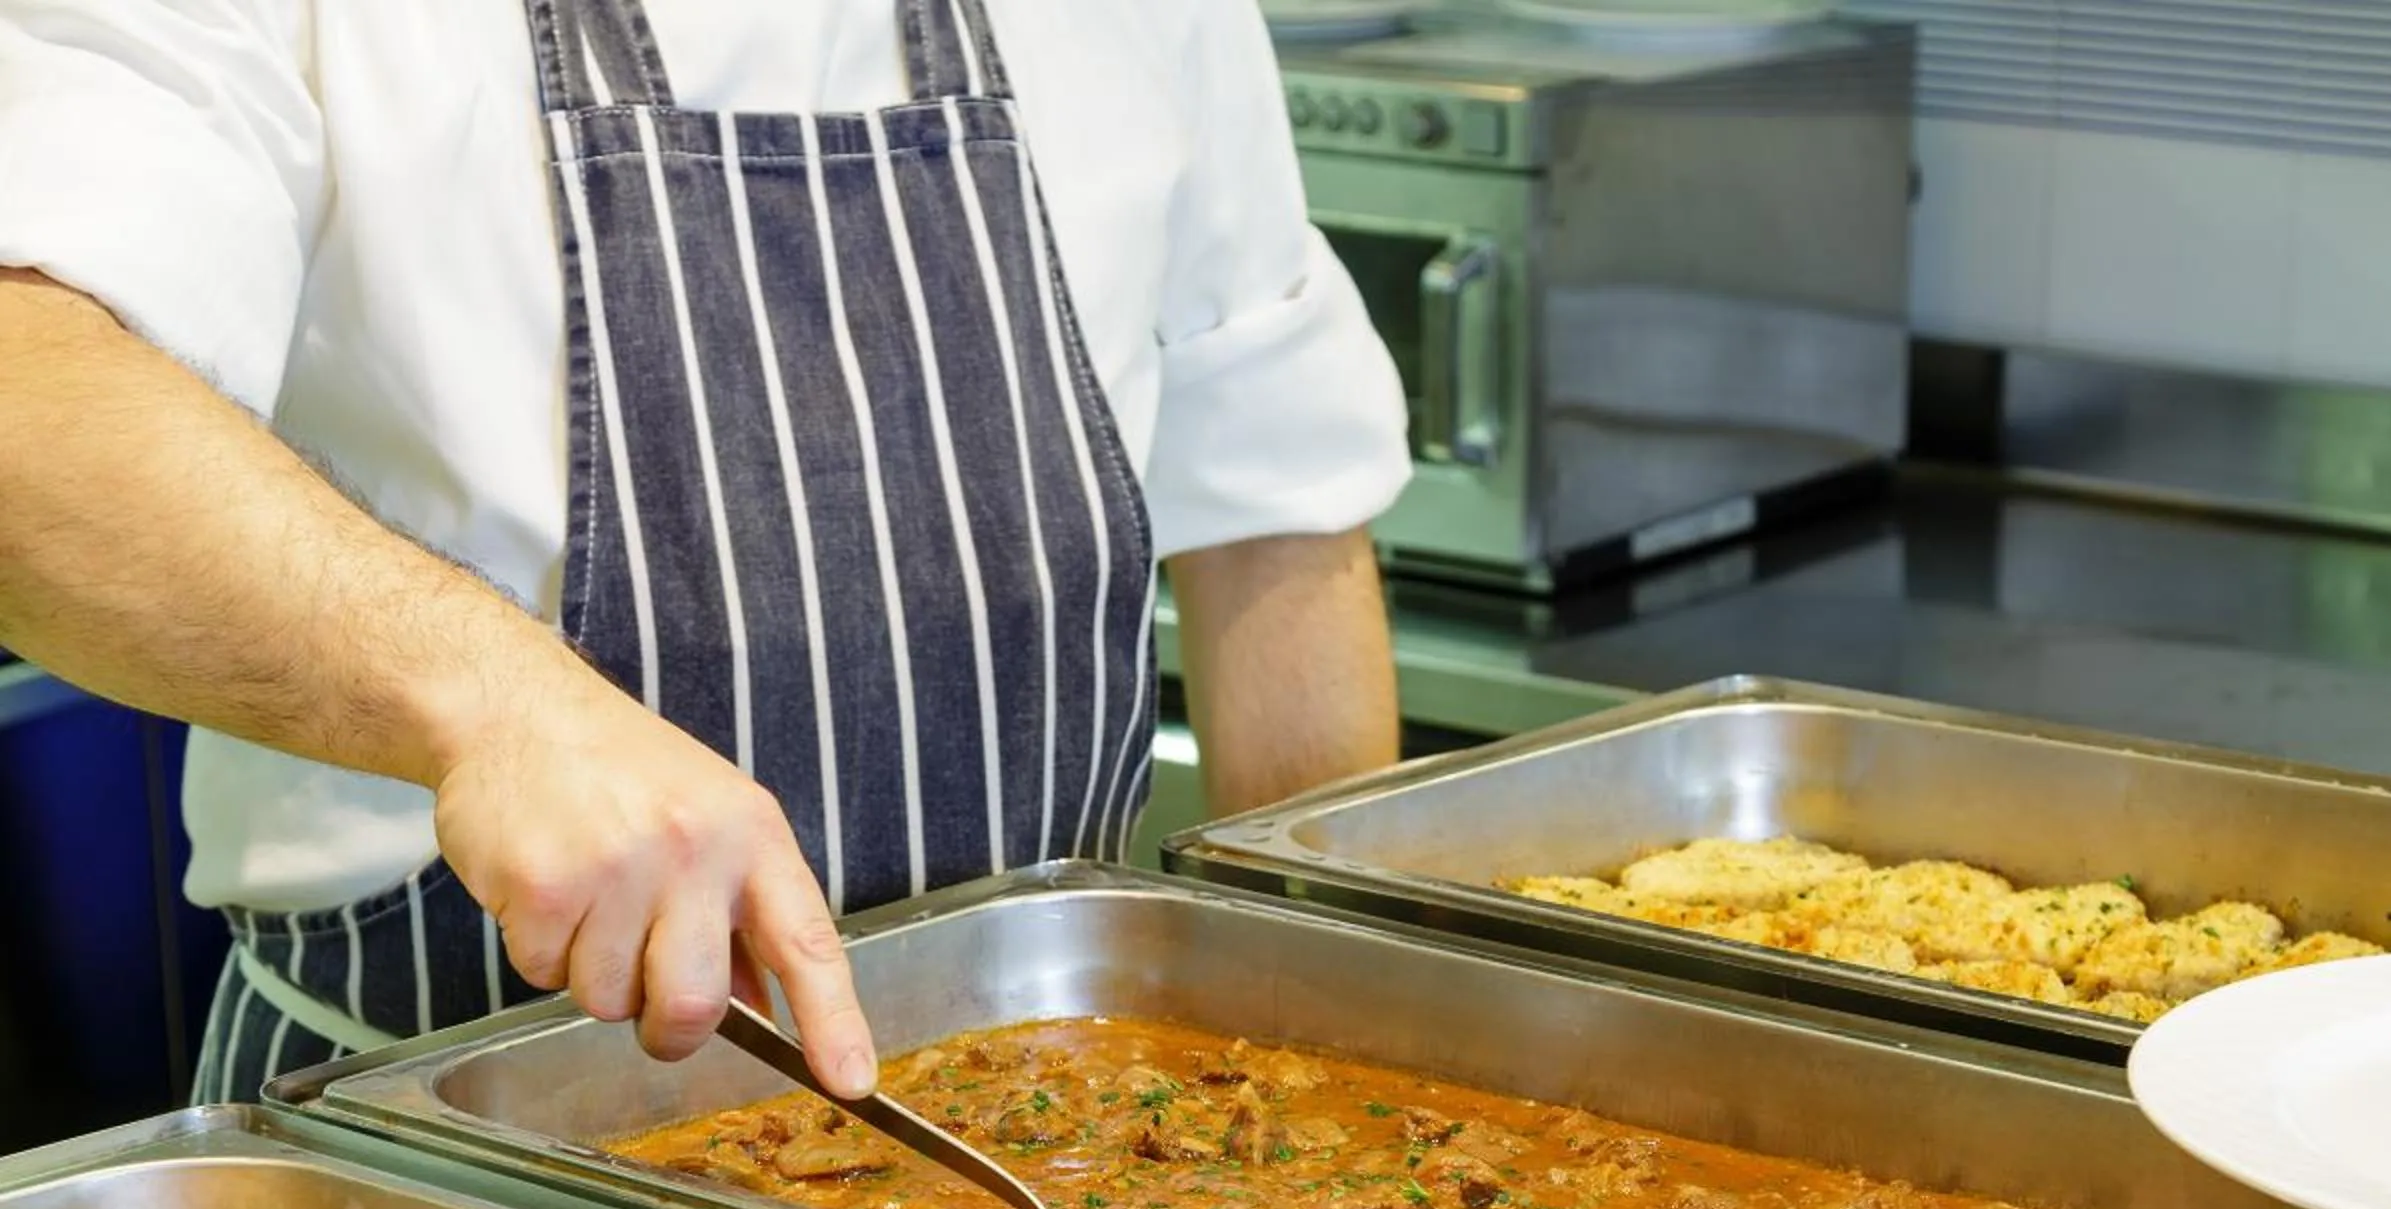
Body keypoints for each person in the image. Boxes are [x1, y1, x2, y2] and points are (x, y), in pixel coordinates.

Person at [0, 0, 1409, 1103]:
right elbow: (27, 397)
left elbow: (1276, 515)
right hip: (439, 1149)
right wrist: (501, 706)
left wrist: (1357, 1042)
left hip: (1058, 1131)